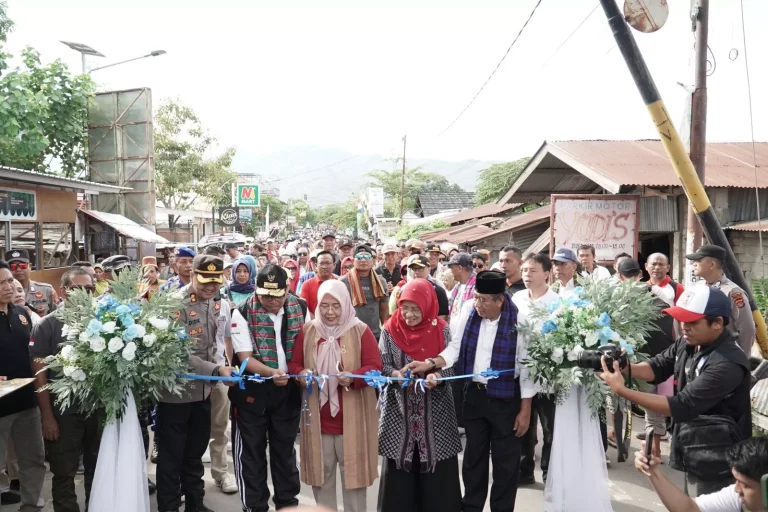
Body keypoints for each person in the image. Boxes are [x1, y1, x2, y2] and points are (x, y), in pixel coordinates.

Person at [600, 285, 752, 496]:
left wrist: (622, 389)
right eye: (681, 320)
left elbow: (682, 406)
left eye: (692, 322)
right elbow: (657, 367)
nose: (683, 327)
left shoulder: (727, 363)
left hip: (720, 459)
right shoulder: (689, 342)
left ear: (717, 323)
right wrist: (624, 367)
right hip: (695, 448)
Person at [289, 280, 382, 512]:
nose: (330, 312)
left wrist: (353, 377)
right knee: (322, 477)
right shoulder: (309, 330)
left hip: (353, 420)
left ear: (347, 305)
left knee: (354, 478)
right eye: (324, 305)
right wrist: (302, 373)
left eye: (336, 305)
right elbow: (295, 364)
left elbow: (375, 368)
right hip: (318, 421)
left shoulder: (360, 330)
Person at [155, 255, 236, 512]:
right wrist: (217, 370)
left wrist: (222, 371)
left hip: (204, 393)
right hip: (175, 395)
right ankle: (168, 507)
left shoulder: (215, 302)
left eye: (215, 281)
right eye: (205, 281)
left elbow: (214, 344)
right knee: (171, 458)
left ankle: (195, 504)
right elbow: (176, 352)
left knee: (194, 455)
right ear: (192, 275)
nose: (211, 287)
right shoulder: (174, 303)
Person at [378, 279, 462, 512]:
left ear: (428, 307)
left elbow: (453, 364)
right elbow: (382, 366)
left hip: (437, 417)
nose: (409, 315)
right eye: (405, 307)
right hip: (399, 414)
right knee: (399, 481)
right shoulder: (389, 329)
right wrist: (396, 374)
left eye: (416, 309)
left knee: (438, 483)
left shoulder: (442, 329)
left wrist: (438, 376)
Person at [230, 265, 307, 512]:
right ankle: (254, 506)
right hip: (253, 392)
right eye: (265, 296)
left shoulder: (301, 308)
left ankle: (287, 504)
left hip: (288, 391)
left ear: (287, 290)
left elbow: (311, 344)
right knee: (251, 455)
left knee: (284, 451)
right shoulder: (242, 312)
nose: (271, 301)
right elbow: (244, 358)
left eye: (277, 295)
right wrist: (272, 373)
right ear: (256, 290)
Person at [30, 267, 102, 512]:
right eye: (77, 289)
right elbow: (40, 376)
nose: (84, 294)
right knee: (63, 473)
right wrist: (47, 417)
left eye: (89, 289)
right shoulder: (46, 326)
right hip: (63, 413)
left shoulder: (104, 321)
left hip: (98, 409)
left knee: (98, 470)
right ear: (63, 291)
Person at [615, 258, 675, 459]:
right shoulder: (656, 298)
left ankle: (621, 441)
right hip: (655, 361)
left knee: (619, 403)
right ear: (640, 274)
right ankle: (654, 449)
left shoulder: (618, 303)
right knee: (652, 407)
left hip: (635, 362)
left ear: (620, 276)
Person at [0, 260, 45, 511]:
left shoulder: (22, 314)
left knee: (33, 459)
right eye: (1, 283)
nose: (8, 287)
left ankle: (32, 503)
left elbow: (34, 352)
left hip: (27, 403)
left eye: (9, 281)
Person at [513, 253, 561, 486]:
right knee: (524, 425)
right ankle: (524, 471)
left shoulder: (558, 303)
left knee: (550, 428)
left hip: (548, 377)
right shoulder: (517, 299)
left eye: (532, 271)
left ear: (546, 273)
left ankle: (549, 474)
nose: (527, 275)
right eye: (524, 270)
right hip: (521, 373)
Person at [637, 435, 768, 512]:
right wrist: (652, 471)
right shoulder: (737, 498)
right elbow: (689, 508)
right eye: (737, 480)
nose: (737, 489)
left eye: (745, 485)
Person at [687, 245, 756, 354]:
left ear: (712, 264)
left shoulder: (733, 292)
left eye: (698, 260)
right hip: (701, 353)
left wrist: (741, 359)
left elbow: (747, 330)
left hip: (724, 355)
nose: (694, 264)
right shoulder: (698, 288)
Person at [339, 245, 390, 341]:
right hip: (350, 334)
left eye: (367, 257)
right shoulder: (343, 282)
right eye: (359, 257)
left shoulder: (380, 281)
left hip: (375, 334)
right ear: (354, 261)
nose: (363, 260)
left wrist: (386, 332)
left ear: (372, 261)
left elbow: (384, 309)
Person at [5, 249, 57, 317]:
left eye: (22, 265)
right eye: (13, 267)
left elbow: (60, 314)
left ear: (30, 266)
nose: (18, 269)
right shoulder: (3, 293)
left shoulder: (46, 290)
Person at [407, 255, 449, 321]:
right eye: (414, 269)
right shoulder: (406, 290)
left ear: (429, 269)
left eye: (420, 268)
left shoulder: (438, 290)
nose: (417, 272)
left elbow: (442, 317)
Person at [301, 251, 338, 318]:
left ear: (334, 265)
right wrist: (318, 323)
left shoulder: (340, 283)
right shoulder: (307, 285)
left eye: (327, 263)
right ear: (316, 266)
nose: (324, 267)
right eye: (321, 263)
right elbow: (304, 309)